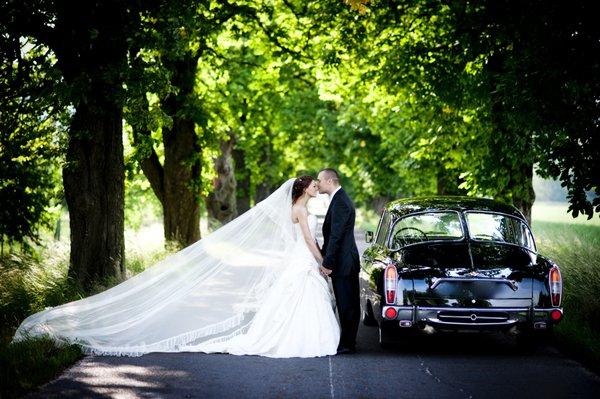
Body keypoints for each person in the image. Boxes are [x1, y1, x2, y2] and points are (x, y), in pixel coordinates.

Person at [13, 177, 340, 358]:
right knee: (299, 298)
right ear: (303, 190)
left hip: (298, 260)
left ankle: (284, 337)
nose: (316, 187)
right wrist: (322, 261)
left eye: (316, 185)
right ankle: (295, 340)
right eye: (313, 185)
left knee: (293, 301)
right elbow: (309, 242)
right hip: (303, 260)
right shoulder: (300, 209)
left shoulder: (296, 207)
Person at [317, 168, 361, 355]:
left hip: (344, 262)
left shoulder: (341, 201)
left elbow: (336, 236)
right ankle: (347, 342)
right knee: (346, 303)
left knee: (347, 304)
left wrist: (327, 263)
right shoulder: (338, 199)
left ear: (329, 181)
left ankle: (348, 344)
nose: (317, 183)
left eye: (319, 180)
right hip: (343, 261)